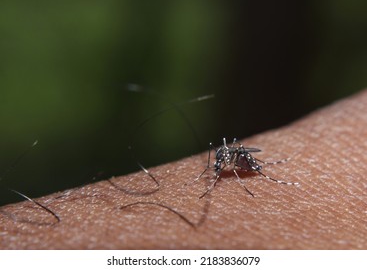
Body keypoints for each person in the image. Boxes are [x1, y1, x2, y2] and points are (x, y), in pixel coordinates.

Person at [1, 89, 366, 249]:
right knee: (225, 150)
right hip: (232, 153)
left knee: (241, 158)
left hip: (242, 156)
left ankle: (270, 172)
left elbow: (233, 155)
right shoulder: (220, 156)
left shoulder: (232, 159)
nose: (218, 167)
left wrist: (249, 171)